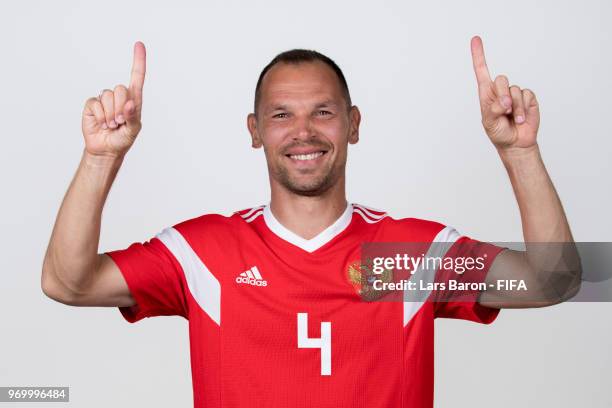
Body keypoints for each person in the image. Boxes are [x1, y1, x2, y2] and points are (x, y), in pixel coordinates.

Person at [41, 36, 581, 408]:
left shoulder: (407, 255)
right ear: (255, 130)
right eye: (281, 115)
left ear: (353, 124)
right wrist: (100, 158)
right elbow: (67, 282)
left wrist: (519, 152)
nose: (303, 132)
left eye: (322, 112)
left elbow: (553, 281)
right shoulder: (204, 251)